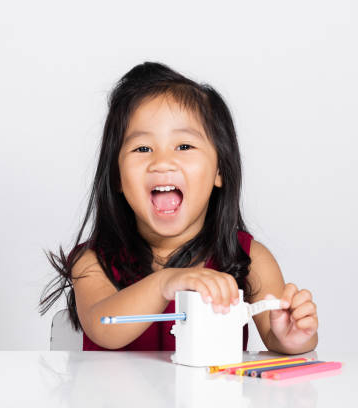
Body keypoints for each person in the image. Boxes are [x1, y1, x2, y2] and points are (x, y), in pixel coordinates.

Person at [39, 62, 318, 354]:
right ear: (117, 177)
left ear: (219, 171)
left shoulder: (249, 258)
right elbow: (103, 328)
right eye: (142, 148)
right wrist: (164, 283)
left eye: (184, 146)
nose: (162, 162)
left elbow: (277, 339)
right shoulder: (92, 260)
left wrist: (294, 336)